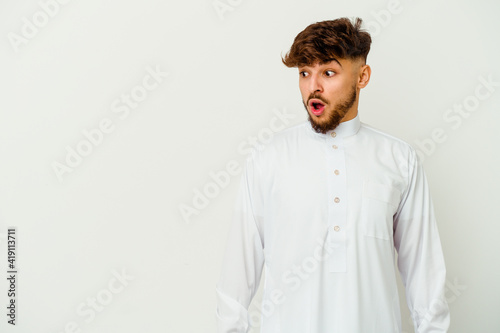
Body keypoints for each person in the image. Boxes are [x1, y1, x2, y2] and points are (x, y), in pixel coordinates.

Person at [215, 17, 450, 333]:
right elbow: (237, 275)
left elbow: (424, 273)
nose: (314, 86)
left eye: (328, 72)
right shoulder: (269, 157)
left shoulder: (398, 159)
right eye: (304, 73)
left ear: (362, 77)